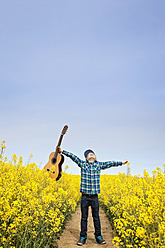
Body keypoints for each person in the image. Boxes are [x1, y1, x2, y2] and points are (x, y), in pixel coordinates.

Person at [57, 147, 128, 246]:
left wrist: (121, 163)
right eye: (89, 154)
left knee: (96, 217)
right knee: (83, 218)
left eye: (92, 154)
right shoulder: (83, 164)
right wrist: (63, 151)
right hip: (85, 197)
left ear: (95, 157)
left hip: (94, 197)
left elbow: (110, 163)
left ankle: (98, 236)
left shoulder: (98, 165)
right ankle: (82, 237)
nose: (91, 155)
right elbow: (73, 157)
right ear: (86, 158)